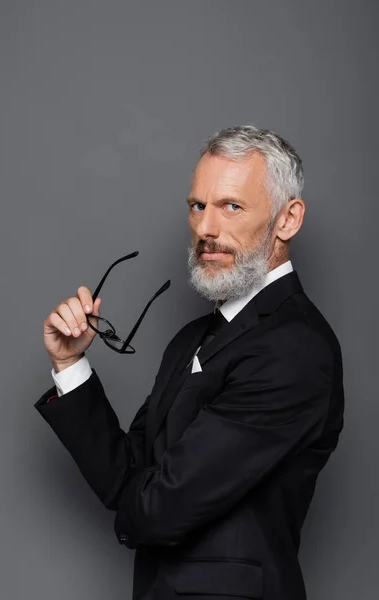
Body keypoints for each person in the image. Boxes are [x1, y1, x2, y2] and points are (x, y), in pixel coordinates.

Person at [35, 125, 344, 600]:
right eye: (198, 206)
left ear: (288, 219)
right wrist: (70, 365)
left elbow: (158, 509)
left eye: (231, 207)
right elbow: (127, 478)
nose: (205, 229)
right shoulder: (192, 339)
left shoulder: (296, 348)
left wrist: (138, 510)